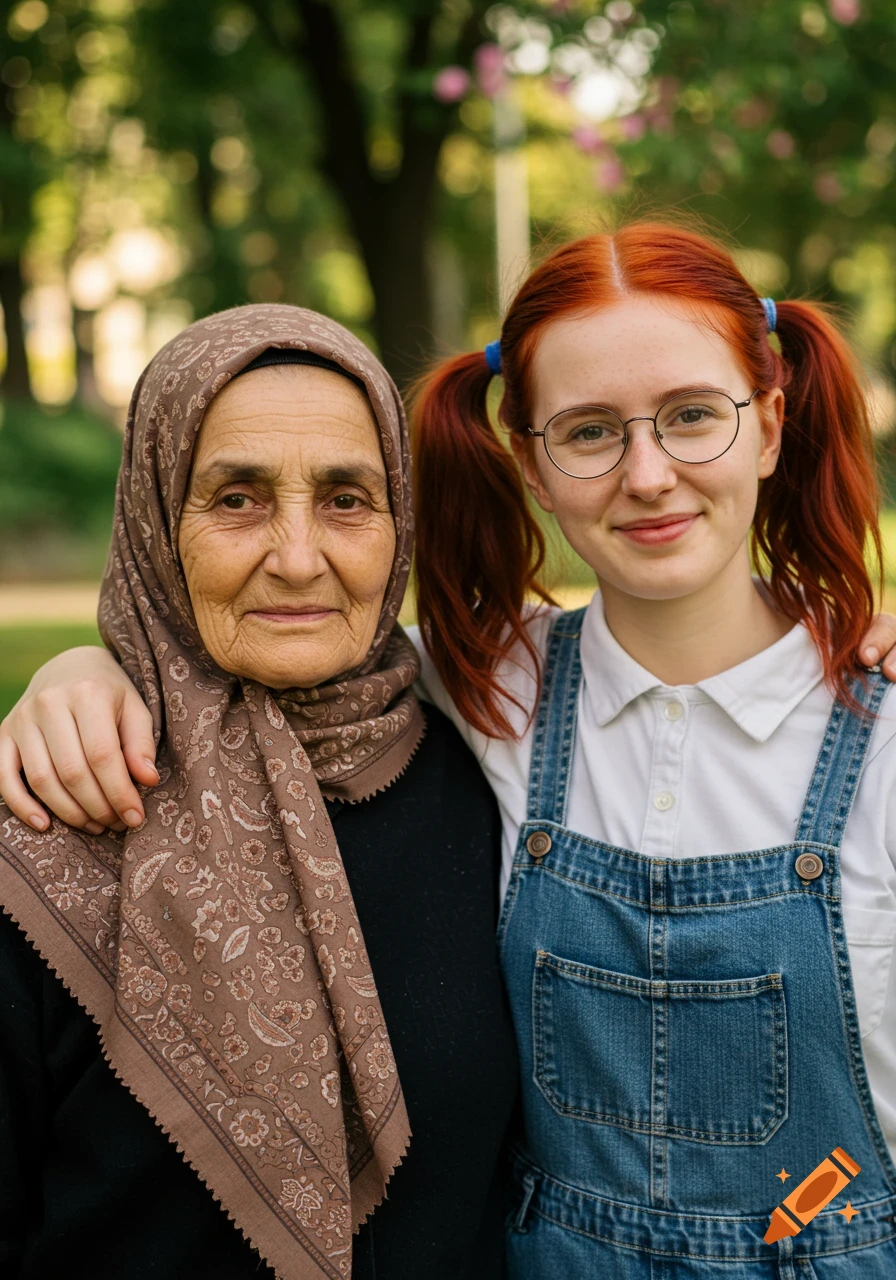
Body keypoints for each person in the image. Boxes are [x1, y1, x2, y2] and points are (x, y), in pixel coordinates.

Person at [5, 225, 896, 1277]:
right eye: (589, 431)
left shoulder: (875, 741)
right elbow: (280, 655)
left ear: (768, 422)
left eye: (693, 416)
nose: (647, 473)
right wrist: (77, 671)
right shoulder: (485, 693)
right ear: (529, 463)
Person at [0, 306, 517, 1280]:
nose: (295, 555)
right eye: (235, 497)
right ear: (157, 516)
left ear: (397, 520)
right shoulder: (43, 813)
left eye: (345, 498)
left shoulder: (488, 771)